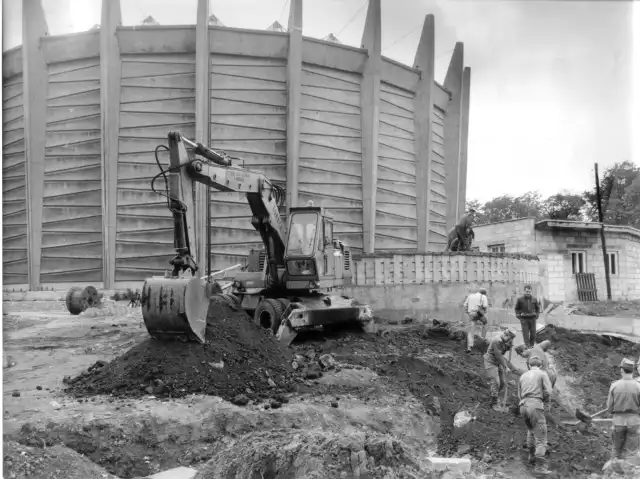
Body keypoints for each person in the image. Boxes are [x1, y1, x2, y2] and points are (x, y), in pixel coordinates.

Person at [517, 355, 553, 475]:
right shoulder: (542, 374)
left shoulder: (523, 375)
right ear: (541, 365)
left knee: (531, 429)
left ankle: (531, 456)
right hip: (535, 405)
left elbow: (519, 394)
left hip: (523, 405)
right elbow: (548, 391)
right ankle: (539, 467)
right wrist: (545, 402)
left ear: (529, 365)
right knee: (541, 438)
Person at [607, 358, 640, 463]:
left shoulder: (614, 385)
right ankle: (630, 473)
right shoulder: (638, 386)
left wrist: (614, 413)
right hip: (634, 421)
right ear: (633, 371)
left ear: (622, 370)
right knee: (632, 452)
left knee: (616, 450)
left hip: (618, 421)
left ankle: (612, 473)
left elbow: (609, 407)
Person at [484, 328, 519, 411]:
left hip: (498, 362)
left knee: (502, 383)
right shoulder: (496, 341)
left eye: (511, 339)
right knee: (496, 382)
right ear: (505, 334)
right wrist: (506, 366)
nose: (509, 340)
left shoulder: (506, 341)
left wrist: (509, 345)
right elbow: (499, 355)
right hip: (490, 361)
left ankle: (494, 395)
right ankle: (493, 403)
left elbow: (505, 350)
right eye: (509, 338)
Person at [462, 288, 489, 353]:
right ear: (484, 293)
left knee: (471, 330)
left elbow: (465, 305)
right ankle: (483, 338)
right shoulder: (483, 296)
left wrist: (468, 313)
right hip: (478, 314)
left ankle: (469, 347)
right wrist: (484, 311)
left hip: (471, 314)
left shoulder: (470, 296)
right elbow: (485, 306)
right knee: (485, 322)